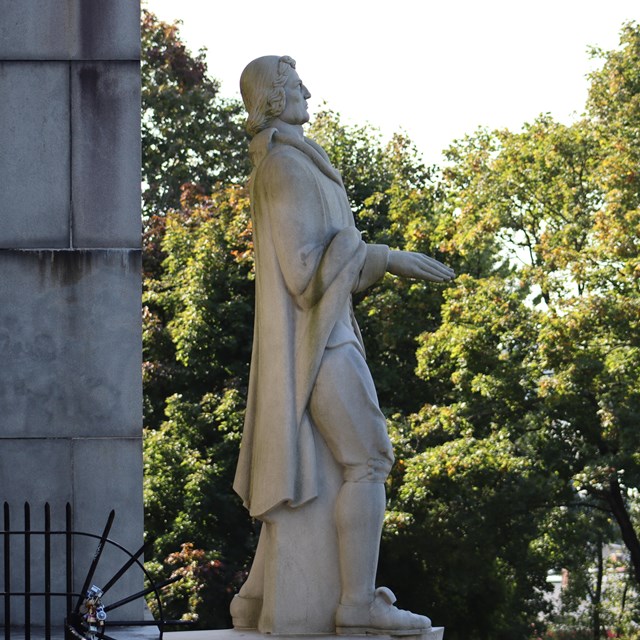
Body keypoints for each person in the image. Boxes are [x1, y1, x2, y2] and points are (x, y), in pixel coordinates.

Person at [232, 55, 454, 635]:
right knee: (368, 460)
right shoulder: (285, 169)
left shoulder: (292, 164)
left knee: (314, 471)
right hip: (321, 345)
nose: (308, 90)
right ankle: (357, 603)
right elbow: (305, 274)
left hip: (328, 337)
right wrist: (389, 258)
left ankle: (256, 598)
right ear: (274, 99)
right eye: (294, 83)